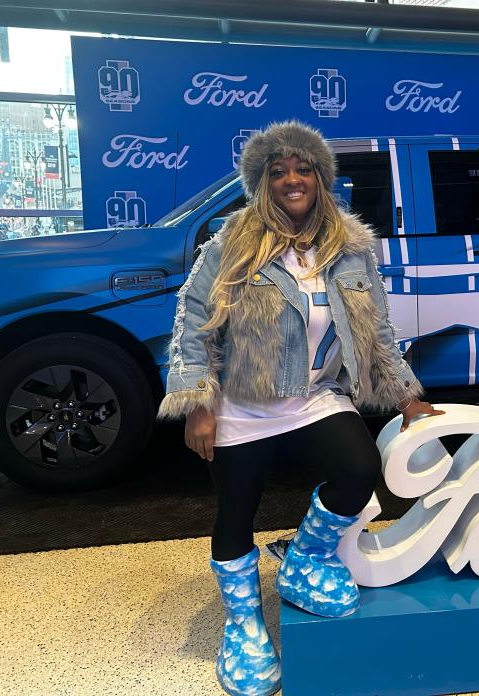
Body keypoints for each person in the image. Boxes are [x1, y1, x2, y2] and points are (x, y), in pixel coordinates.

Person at [157, 120, 443, 696]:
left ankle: (305, 560)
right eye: (279, 170)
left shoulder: (351, 248)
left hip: (314, 397)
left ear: (321, 178)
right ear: (263, 182)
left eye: (304, 168)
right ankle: (243, 623)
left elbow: (377, 331)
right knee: (236, 511)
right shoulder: (230, 243)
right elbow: (193, 323)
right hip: (241, 401)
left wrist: (409, 396)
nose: (293, 179)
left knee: (359, 471)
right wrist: (198, 402)